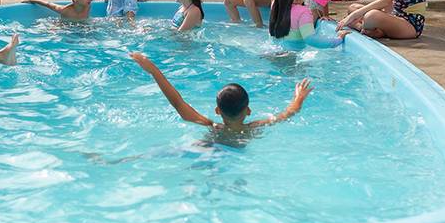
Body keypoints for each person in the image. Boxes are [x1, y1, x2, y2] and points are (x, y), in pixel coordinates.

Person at [129, 52, 313, 145]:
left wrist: (153, 70)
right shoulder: (253, 129)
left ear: (217, 111)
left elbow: (178, 103)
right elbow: (289, 113)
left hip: (208, 149)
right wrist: (299, 97)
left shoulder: (211, 126)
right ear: (248, 110)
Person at [269, 0, 347, 45]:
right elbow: (310, 39)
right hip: (291, 56)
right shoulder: (303, 12)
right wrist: (337, 40)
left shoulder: (275, 5)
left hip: (275, 49)